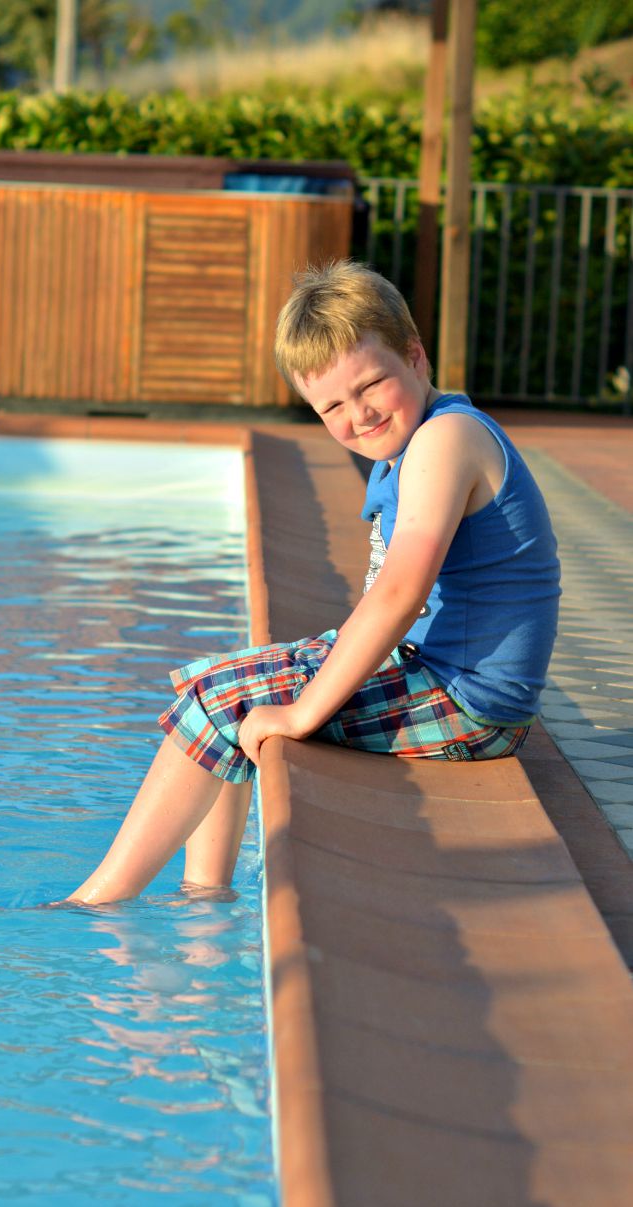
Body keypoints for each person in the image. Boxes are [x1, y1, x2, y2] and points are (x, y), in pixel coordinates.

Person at [65, 260, 560, 907]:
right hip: (440, 674)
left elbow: (400, 590)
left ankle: (99, 901)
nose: (358, 414)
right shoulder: (408, 447)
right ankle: (202, 894)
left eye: (372, 384)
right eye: (331, 405)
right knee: (214, 681)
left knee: (222, 702)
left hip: (467, 700)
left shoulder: (447, 438)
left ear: (415, 356)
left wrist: (302, 710)